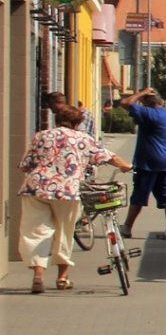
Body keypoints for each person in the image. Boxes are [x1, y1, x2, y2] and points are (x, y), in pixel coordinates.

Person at [18, 102, 131, 292]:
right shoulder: (82, 138)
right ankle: (62, 278)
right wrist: (125, 165)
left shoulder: (41, 136)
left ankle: (38, 275)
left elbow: (24, 164)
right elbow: (107, 156)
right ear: (77, 123)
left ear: (57, 120)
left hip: (35, 188)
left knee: (36, 231)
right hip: (66, 191)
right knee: (65, 232)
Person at [120, 90, 166, 243]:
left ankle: (127, 228)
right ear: (161, 102)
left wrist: (141, 93)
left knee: (139, 196)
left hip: (147, 163)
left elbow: (125, 103)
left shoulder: (148, 113)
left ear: (147, 102)